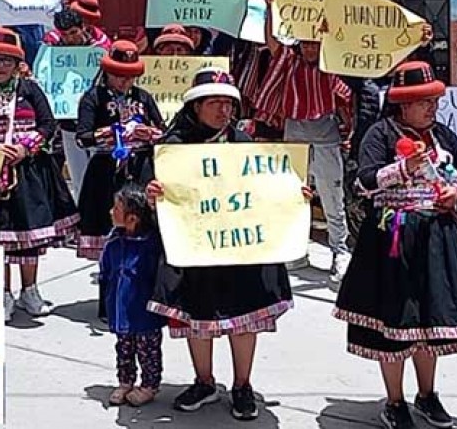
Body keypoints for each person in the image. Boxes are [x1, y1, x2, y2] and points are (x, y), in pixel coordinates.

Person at [332, 61, 457, 429]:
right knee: (395, 323)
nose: (432, 108)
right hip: (394, 240)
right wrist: (403, 168)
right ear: (403, 104)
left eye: (434, 100)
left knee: (429, 321)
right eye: (423, 102)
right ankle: (395, 400)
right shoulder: (380, 135)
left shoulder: (443, 136)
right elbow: (363, 181)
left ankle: (427, 394)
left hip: (436, 239)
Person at [146, 70, 303, 422]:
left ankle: (242, 385)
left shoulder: (244, 143)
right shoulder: (174, 148)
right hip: (195, 247)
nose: (223, 110)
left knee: (243, 316)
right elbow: (150, 194)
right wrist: (152, 194)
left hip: (240, 249)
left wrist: (294, 193)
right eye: (214, 103)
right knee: (197, 315)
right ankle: (204, 382)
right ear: (196, 106)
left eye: (228, 103)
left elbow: (268, 188)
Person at [0, 28, 79, 320]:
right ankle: (4, 294)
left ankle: (30, 290)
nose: (0, 66)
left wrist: (25, 148)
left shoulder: (29, 90)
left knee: (30, 235)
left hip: (28, 172)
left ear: (17, 64)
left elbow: (47, 124)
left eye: (6, 60)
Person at [255, 0, 353, 284]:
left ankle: (340, 251)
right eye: (306, 43)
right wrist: (270, 9)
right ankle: (297, 250)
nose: (310, 49)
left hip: (326, 137)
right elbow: (271, 41)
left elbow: (347, 97)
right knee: (294, 196)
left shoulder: (332, 63)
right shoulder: (289, 62)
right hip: (294, 136)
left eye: (314, 43)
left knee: (332, 197)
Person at [76, 40, 164, 261]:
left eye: (131, 76)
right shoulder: (93, 97)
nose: (125, 81)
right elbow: (83, 138)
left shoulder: (143, 97)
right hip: (106, 168)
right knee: (107, 217)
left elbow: (163, 132)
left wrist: (149, 133)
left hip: (140, 168)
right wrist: (112, 132)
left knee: (141, 217)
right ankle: (109, 267)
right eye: (119, 75)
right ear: (107, 72)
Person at [102, 185, 167, 407]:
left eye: (116, 208)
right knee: (124, 347)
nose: (111, 212)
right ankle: (125, 382)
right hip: (121, 309)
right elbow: (106, 271)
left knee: (148, 350)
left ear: (132, 218)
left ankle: (149, 385)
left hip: (144, 311)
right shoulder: (114, 241)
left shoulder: (151, 244)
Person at [43, 7, 110, 204]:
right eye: (65, 34)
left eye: (73, 32)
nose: (70, 38)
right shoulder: (51, 53)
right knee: (78, 175)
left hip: (97, 122)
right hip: (69, 122)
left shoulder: (99, 51)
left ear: (83, 28)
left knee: (102, 173)